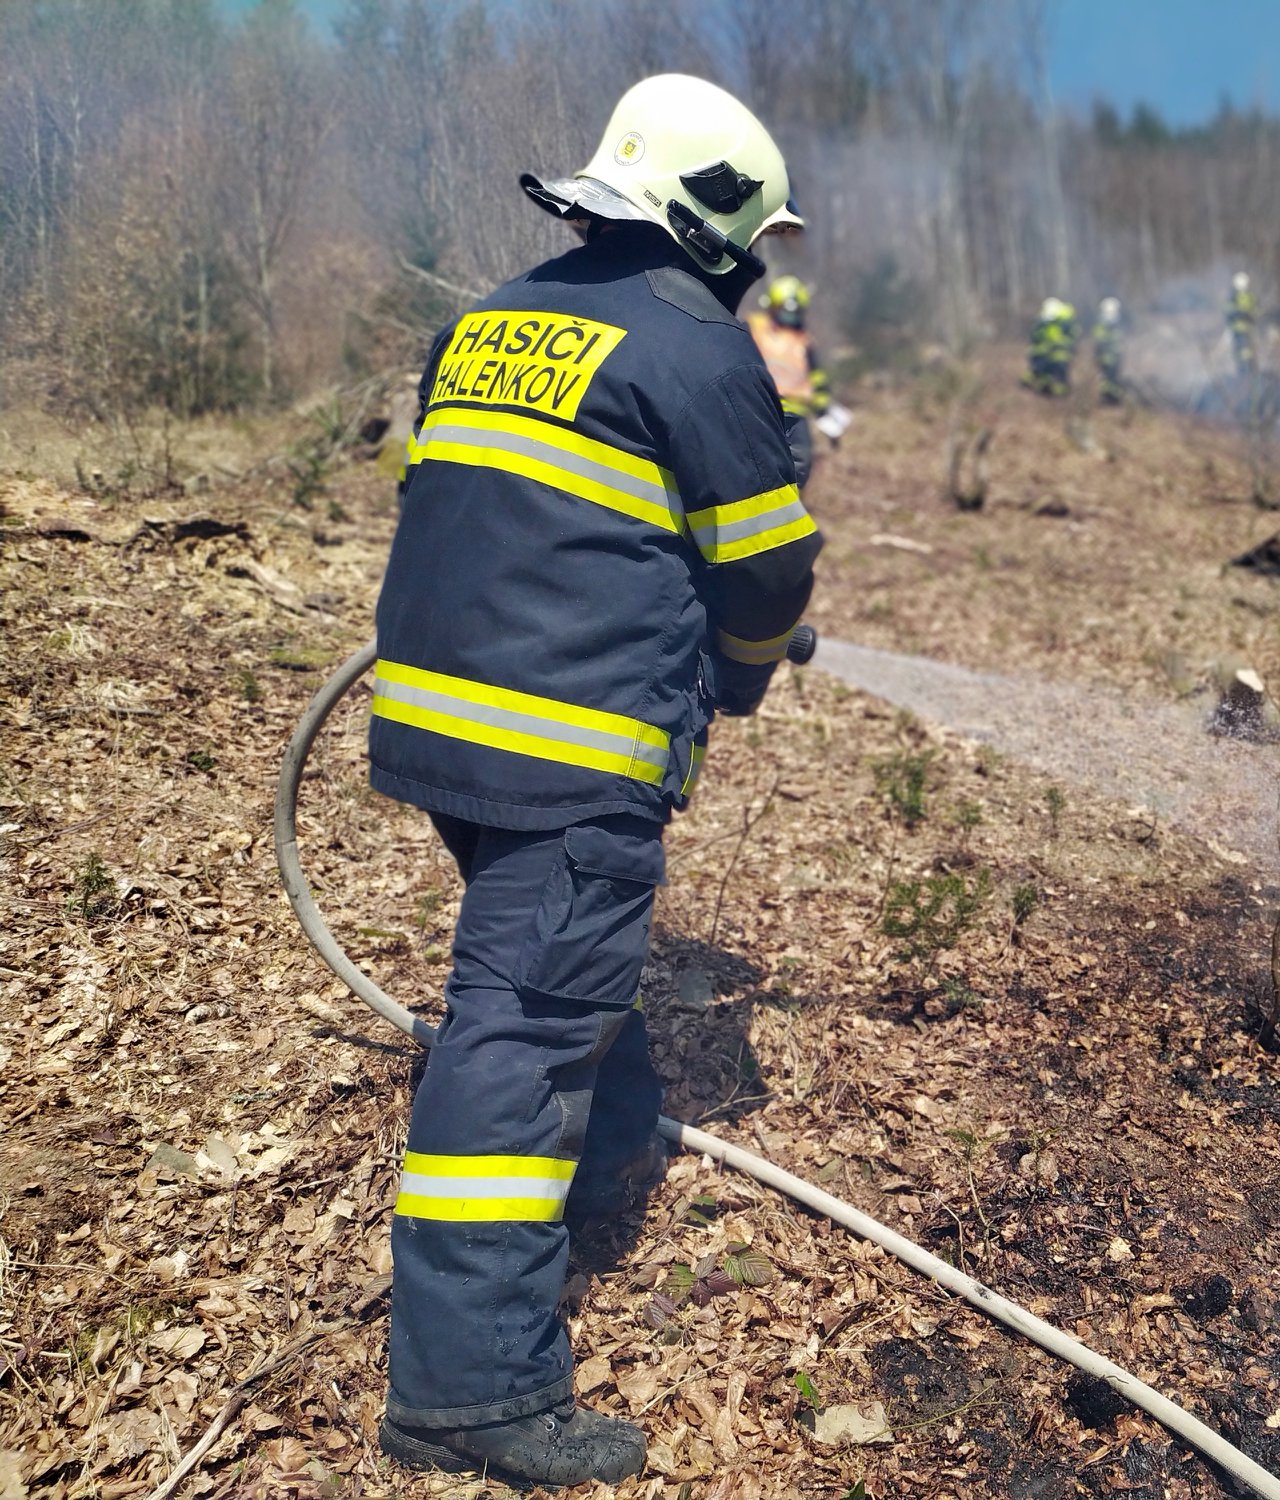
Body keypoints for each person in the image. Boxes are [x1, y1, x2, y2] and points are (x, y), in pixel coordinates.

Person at [369, 74, 820, 1488]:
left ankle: (613, 1142)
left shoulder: (494, 315)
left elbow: (515, 509)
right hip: (569, 753)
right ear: (715, 222)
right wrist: (742, 672)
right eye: (755, 242)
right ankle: (472, 1390)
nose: (758, 270)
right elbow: (767, 571)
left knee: (548, 967)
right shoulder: (697, 351)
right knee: (515, 1028)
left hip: (448, 733)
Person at [746, 273, 832, 486]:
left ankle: (792, 504)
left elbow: (816, 376)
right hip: (761, 407)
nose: (789, 318)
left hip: (797, 413)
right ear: (772, 306)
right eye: (785, 310)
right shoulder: (755, 328)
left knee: (800, 463)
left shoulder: (804, 340)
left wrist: (824, 411)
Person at [1024, 296, 1077, 395]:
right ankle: (1046, 389)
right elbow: (1037, 337)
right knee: (1045, 371)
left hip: (1061, 354)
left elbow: (1070, 338)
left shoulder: (1064, 323)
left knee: (1060, 373)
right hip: (1048, 353)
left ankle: (1061, 393)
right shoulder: (1044, 323)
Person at [1092, 296, 1125, 405]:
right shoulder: (1111, 323)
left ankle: (1110, 398)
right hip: (1110, 356)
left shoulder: (1105, 323)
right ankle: (1110, 399)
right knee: (1110, 378)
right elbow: (1101, 341)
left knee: (1108, 378)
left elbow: (1099, 341)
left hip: (1110, 355)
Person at [1227, 271, 1258, 373]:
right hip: (1238, 329)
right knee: (1241, 351)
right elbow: (1229, 311)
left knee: (1249, 351)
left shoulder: (1250, 296)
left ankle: (1250, 369)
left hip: (1248, 328)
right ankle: (1242, 369)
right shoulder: (1233, 297)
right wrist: (1240, 314)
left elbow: (1256, 309)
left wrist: (1252, 316)